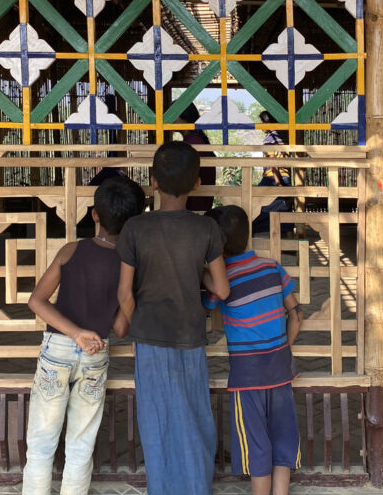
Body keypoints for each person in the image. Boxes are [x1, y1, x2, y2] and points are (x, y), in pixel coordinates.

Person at [116, 141, 231, 495]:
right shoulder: (206, 230)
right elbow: (223, 291)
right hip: (190, 337)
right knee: (194, 416)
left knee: (156, 422)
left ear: (152, 181)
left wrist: (138, 324)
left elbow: (124, 294)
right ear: (197, 183)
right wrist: (195, 272)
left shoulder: (135, 228)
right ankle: (197, 488)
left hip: (149, 338)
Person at [22, 176, 146, 495]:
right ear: (134, 221)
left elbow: (36, 301)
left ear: (94, 214)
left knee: (40, 445)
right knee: (80, 446)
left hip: (57, 352)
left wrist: (75, 332)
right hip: (95, 354)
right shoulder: (131, 267)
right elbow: (120, 328)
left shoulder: (71, 250)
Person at [202, 205, 303, 495]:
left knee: (255, 440)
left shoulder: (223, 280)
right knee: (284, 434)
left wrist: (205, 274)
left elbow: (211, 303)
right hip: (281, 368)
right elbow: (296, 315)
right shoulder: (272, 267)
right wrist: (283, 349)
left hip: (247, 376)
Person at [178, 104, 217, 211]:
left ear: (184, 117)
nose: (169, 118)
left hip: (195, 203)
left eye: (174, 114)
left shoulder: (194, 142)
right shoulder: (195, 140)